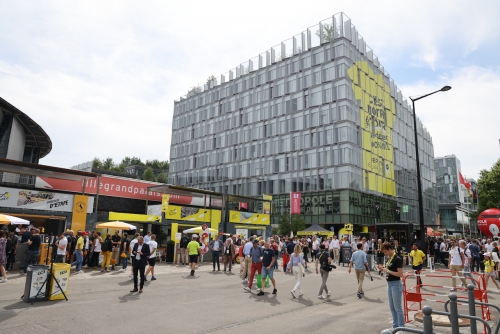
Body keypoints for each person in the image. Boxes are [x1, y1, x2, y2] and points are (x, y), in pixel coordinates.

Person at [378, 242, 405, 331]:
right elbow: (389, 270)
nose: (385, 253)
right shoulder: (390, 258)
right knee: (392, 307)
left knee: (398, 308)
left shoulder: (397, 259)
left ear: (389, 249)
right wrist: (384, 269)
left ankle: (401, 328)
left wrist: (388, 271)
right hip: (390, 284)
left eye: (385, 252)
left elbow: (400, 274)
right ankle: (395, 326)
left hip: (395, 284)